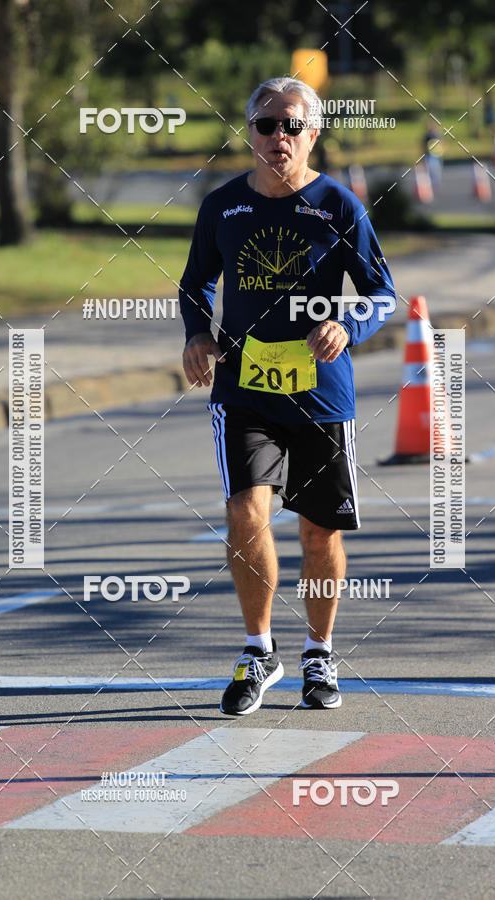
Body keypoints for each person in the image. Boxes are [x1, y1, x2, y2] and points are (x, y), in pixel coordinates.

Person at [179, 77, 396, 716]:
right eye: (266, 125)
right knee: (247, 511)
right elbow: (194, 284)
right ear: (248, 132)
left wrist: (347, 325)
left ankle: (319, 653)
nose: (279, 137)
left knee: (317, 531)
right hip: (244, 390)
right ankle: (258, 650)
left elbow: (383, 293)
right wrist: (198, 334)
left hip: (322, 394)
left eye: (292, 126)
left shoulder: (338, 204)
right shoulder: (223, 207)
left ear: (313, 133)